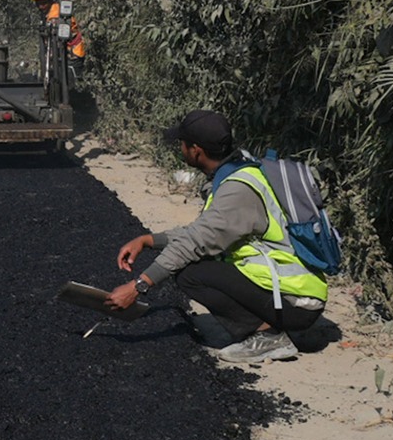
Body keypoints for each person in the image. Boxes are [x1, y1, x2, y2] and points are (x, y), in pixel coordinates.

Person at [109, 109, 328, 363]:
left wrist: (139, 286)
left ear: (196, 151)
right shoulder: (238, 173)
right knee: (195, 261)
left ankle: (267, 338)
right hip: (289, 292)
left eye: (182, 144)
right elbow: (200, 232)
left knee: (190, 273)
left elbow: (194, 243)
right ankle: (267, 328)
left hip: (297, 301)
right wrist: (148, 241)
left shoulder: (237, 191)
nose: (180, 149)